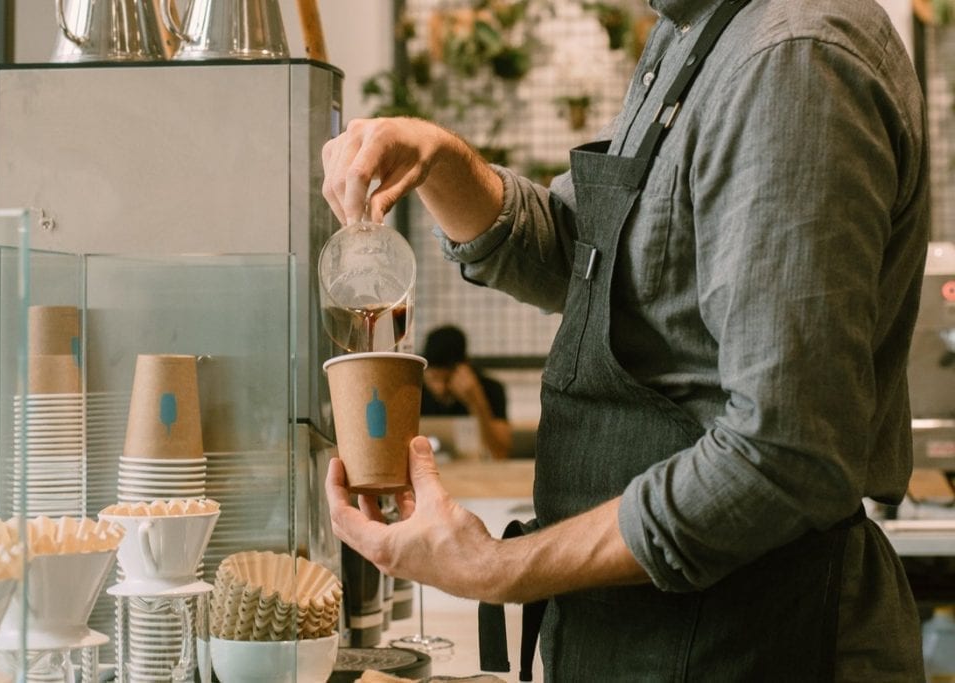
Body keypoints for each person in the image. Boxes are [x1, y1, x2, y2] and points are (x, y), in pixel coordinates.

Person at [321, 0, 929, 678]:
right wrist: (435, 160)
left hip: (752, 639)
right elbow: (582, 257)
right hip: (652, 638)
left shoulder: (790, 60)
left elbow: (782, 454)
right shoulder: (695, 33)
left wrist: (498, 567)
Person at [420, 324, 512, 460]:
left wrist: (476, 402)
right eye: (434, 378)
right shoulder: (415, 391)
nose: (440, 388)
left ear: (465, 368)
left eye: (448, 379)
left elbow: (500, 454)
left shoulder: (491, 389)